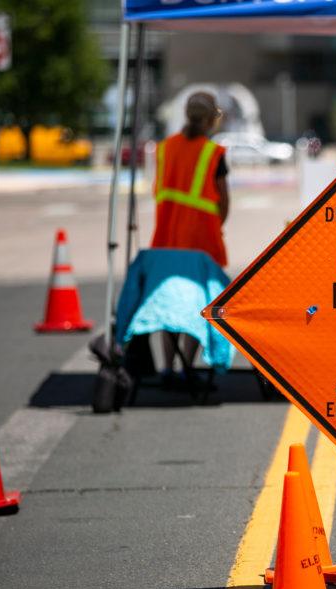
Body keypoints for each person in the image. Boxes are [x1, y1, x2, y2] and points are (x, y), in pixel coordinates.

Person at [151, 91, 230, 385]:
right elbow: (223, 201)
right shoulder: (213, 153)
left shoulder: (165, 149)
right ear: (211, 119)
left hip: (166, 241)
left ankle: (168, 369)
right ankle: (187, 367)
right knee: (199, 306)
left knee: (170, 305)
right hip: (201, 244)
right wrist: (215, 225)